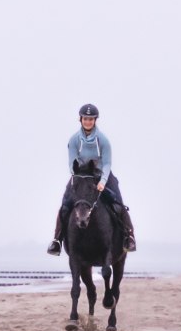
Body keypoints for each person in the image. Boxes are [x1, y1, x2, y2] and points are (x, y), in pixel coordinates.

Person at [47, 104, 136, 256]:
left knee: (118, 203)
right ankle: (57, 240)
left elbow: (107, 163)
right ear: (80, 119)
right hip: (81, 175)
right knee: (65, 205)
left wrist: (102, 181)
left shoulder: (103, 140)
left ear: (95, 120)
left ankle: (129, 236)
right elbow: (72, 163)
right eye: (85, 119)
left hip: (102, 174)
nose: (88, 122)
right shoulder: (74, 140)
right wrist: (78, 178)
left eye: (91, 119)